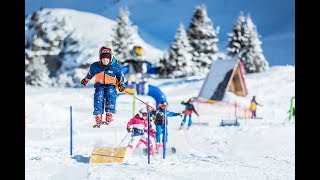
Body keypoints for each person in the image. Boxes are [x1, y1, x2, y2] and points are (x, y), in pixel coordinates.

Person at [81, 46, 126, 128]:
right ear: (100, 58)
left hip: (111, 85)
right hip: (100, 85)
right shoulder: (95, 66)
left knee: (111, 93)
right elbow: (90, 74)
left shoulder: (115, 67)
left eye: (107, 58)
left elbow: (120, 77)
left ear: (111, 57)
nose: (105, 60)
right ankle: (98, 115)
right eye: (103, 58)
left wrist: (121, 84)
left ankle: (109, 114)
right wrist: (86, 80)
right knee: (99, 95)